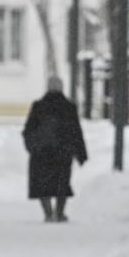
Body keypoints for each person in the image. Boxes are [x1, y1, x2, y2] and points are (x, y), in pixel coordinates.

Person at [21, 77, 88, 222]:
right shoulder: (69, 107)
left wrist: (32, 147)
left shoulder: (39, 106)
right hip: (62, 152)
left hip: (42, 152)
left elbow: (28, 129)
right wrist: (80, 153)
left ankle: (47, 212)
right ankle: (60, 212)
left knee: (42, 182)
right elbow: (76, 131)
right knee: (62, 182)